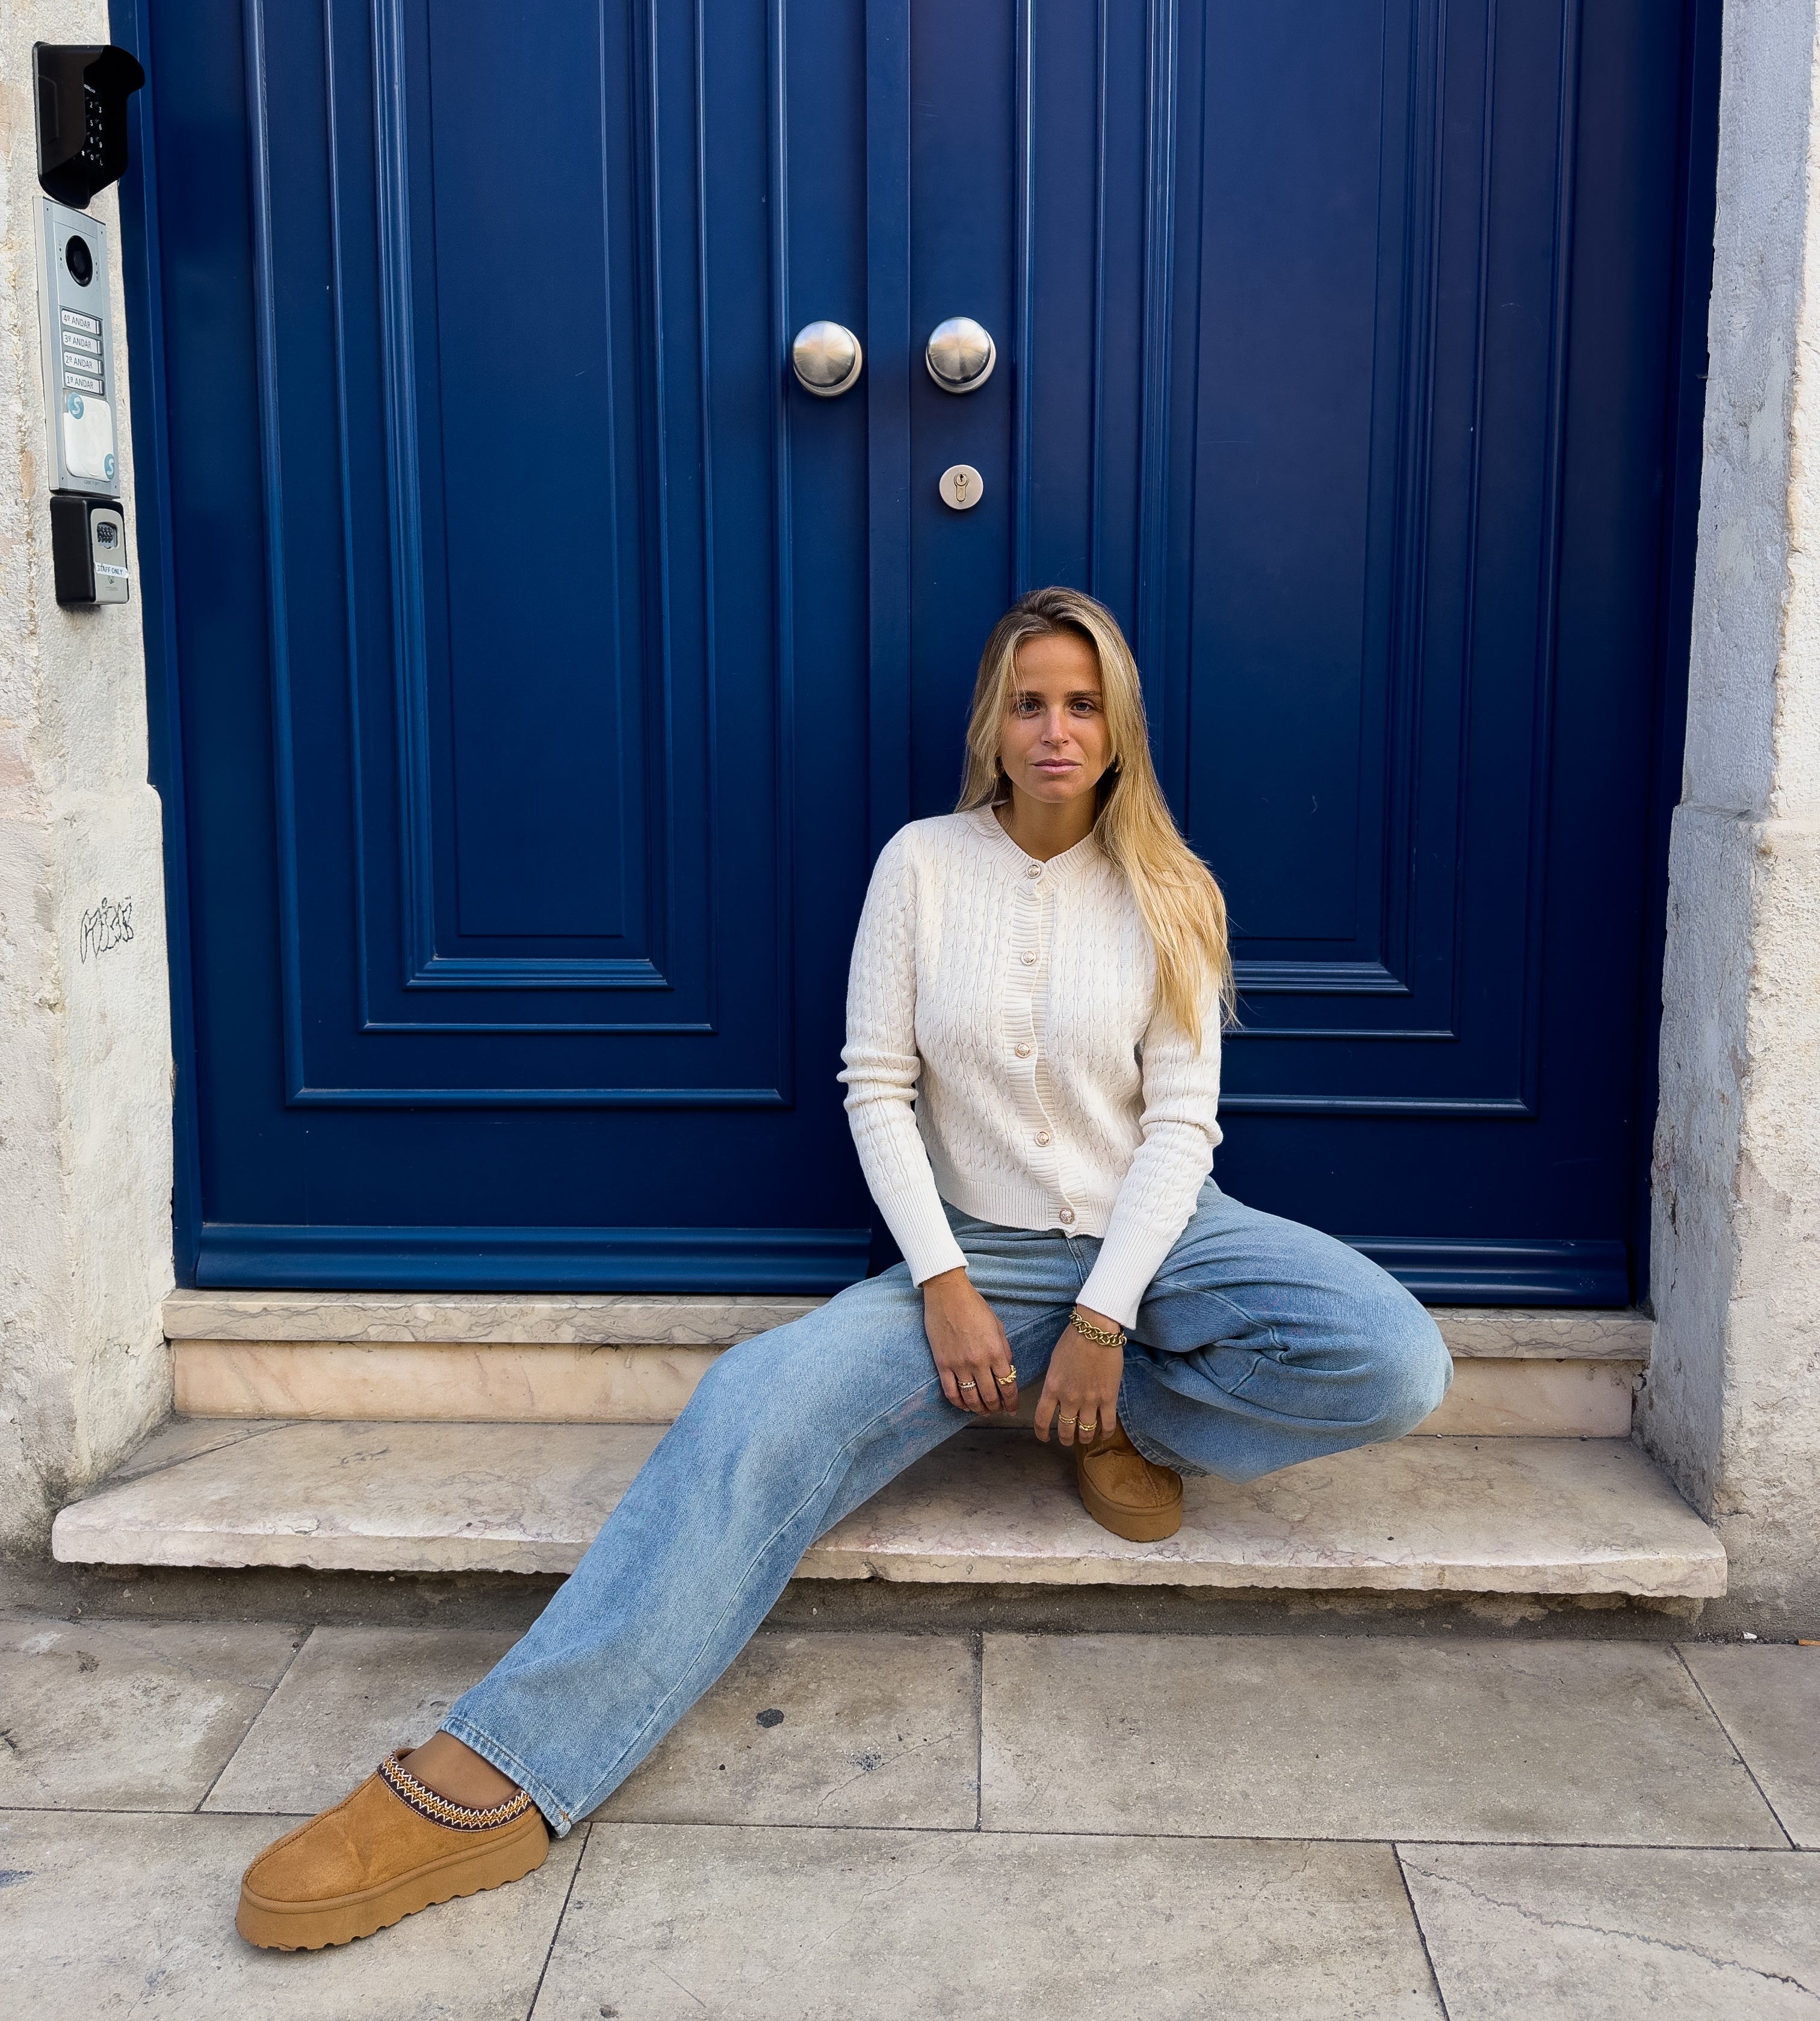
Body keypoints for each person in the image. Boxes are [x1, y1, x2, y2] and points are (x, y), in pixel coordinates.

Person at [234, 587, 1451, 1951]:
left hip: (1163, 1239)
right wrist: (941, 1280)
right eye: (1033, 702)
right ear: (994, 723)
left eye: (1085, 703)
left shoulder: (1174, 889)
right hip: (975, 1252)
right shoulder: (922, 865)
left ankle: (1116, 1411)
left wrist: (1108, 1314)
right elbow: (876, 1086)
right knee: (749, 1410)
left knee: (1396, 1357)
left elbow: (1182, 1125)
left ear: (1120, 729)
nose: (1058, 729)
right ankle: (506, 1766)